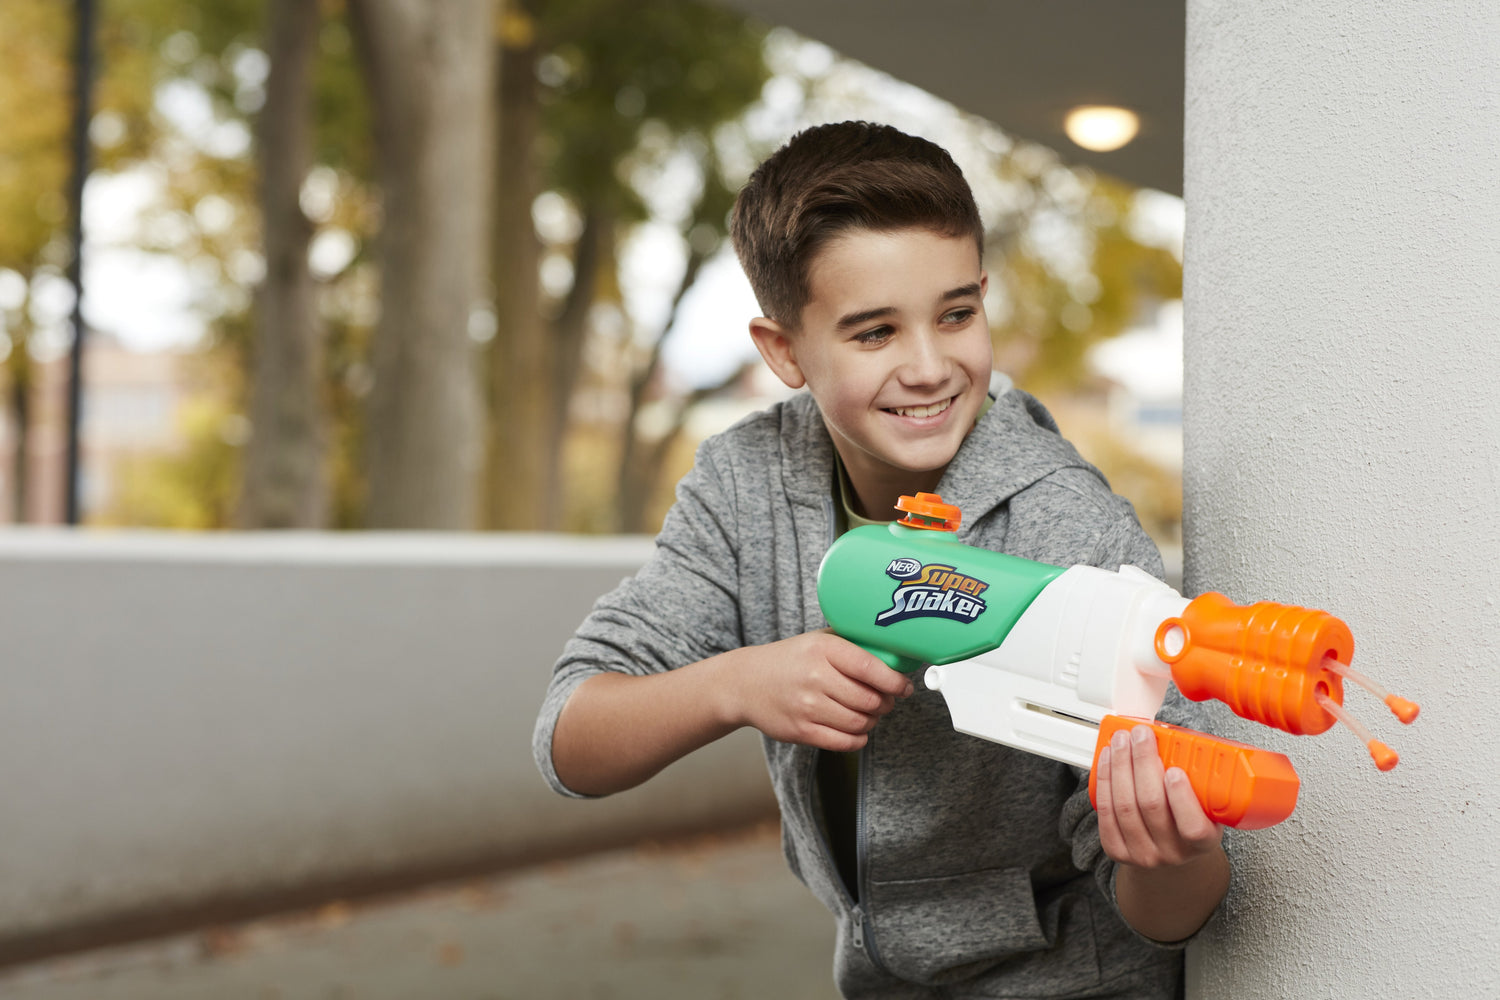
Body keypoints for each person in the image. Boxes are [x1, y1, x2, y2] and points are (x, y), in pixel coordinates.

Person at [533, 121, 1229, 998]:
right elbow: (570, 742)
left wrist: (1173, 855)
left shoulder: (1073, 531)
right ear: (784, 350)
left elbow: (1172, 912)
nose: (930, 367)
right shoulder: (745, 487)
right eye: (874, 333)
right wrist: (736, 683)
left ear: (983, 297)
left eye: (956, 315)